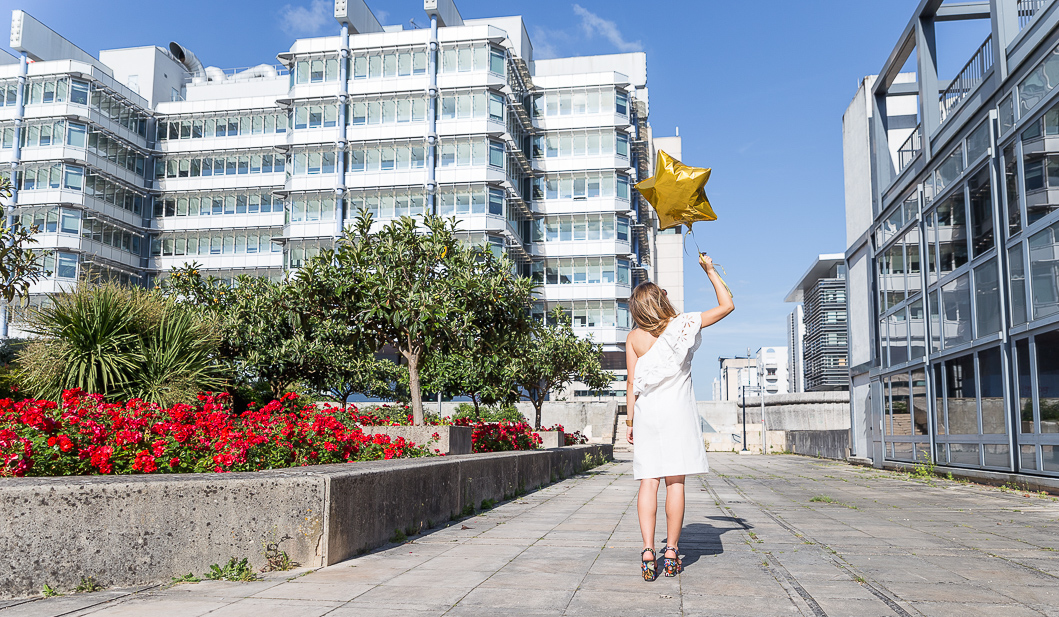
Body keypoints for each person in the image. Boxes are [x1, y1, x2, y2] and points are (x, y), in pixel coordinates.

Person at [625, 253, 734, 580]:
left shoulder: (634, 338)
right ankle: (672, 551)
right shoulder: (682, 324)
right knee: (675, 482)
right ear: (660, 301)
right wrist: (711, 270)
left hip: (647, 414)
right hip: (677, 413)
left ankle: (648, 552)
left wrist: (630, 422)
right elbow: (727, 305)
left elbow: (631, 382)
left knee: (648, 480)